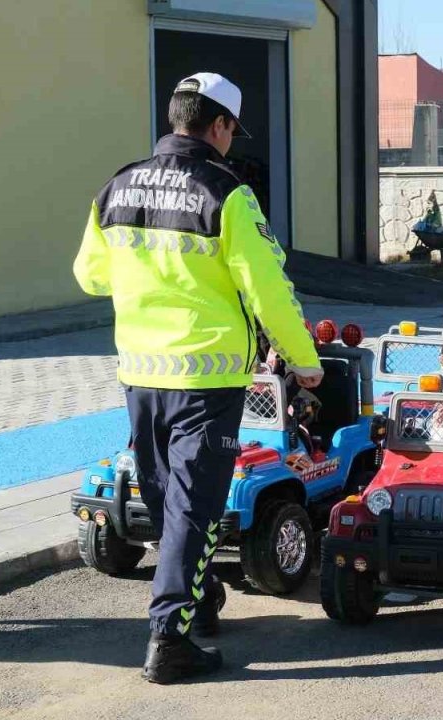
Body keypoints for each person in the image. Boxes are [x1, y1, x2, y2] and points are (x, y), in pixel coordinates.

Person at [73, 72, 322, 684]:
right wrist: (305, 361)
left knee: (164, 498)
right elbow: (270, 290)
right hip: (206, 375)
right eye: (233, 130)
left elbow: (90, 276)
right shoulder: (227, 194)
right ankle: (169, 637)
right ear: (219, 126)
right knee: (197, 507)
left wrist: (147, 273)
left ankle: (196, 600)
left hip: (139, 369)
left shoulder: (117, 185)